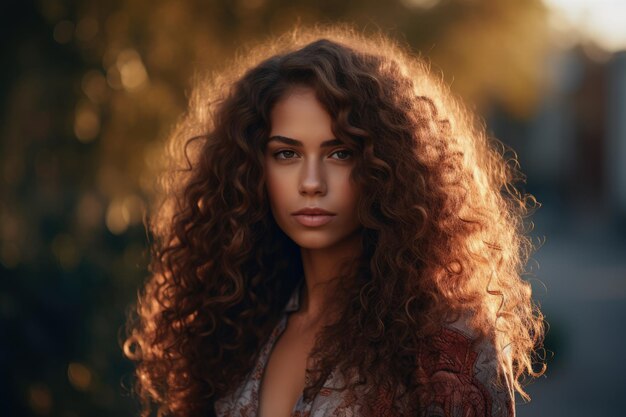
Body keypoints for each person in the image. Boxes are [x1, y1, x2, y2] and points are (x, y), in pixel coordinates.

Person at [123, 24, 546, 417]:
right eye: (286, 154)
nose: (311, 182)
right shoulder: (237, 325)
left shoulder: (447, 340)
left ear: (387, 168)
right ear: (254, 169)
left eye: (340, 153)